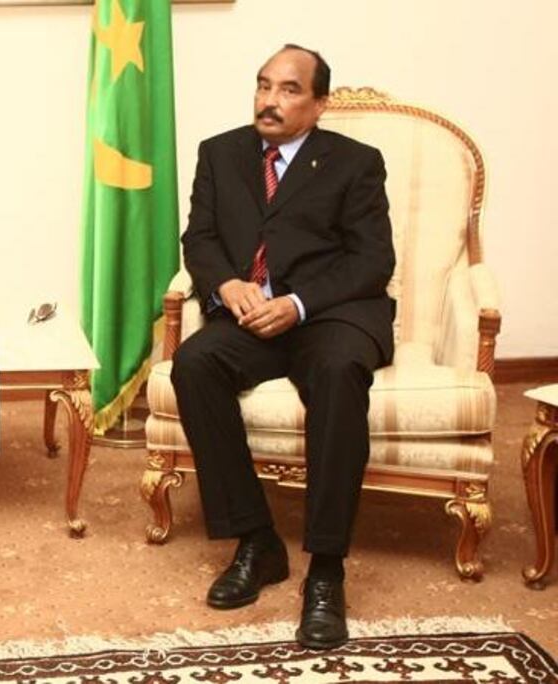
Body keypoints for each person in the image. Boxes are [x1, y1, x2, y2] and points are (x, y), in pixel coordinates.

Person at [171, 44, 395, 650]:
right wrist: (227, 284)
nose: (270, 100)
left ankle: (325, 568)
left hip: (329, 315)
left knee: (340, 370)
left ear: (320, 104)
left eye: (289, 89)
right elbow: (202, 236)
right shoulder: (220, 153)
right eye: (264, 85)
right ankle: (257, 541)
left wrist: (297, 304)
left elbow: (373, 260)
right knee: (194, 363)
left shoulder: (356, 162)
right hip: (251, 315)